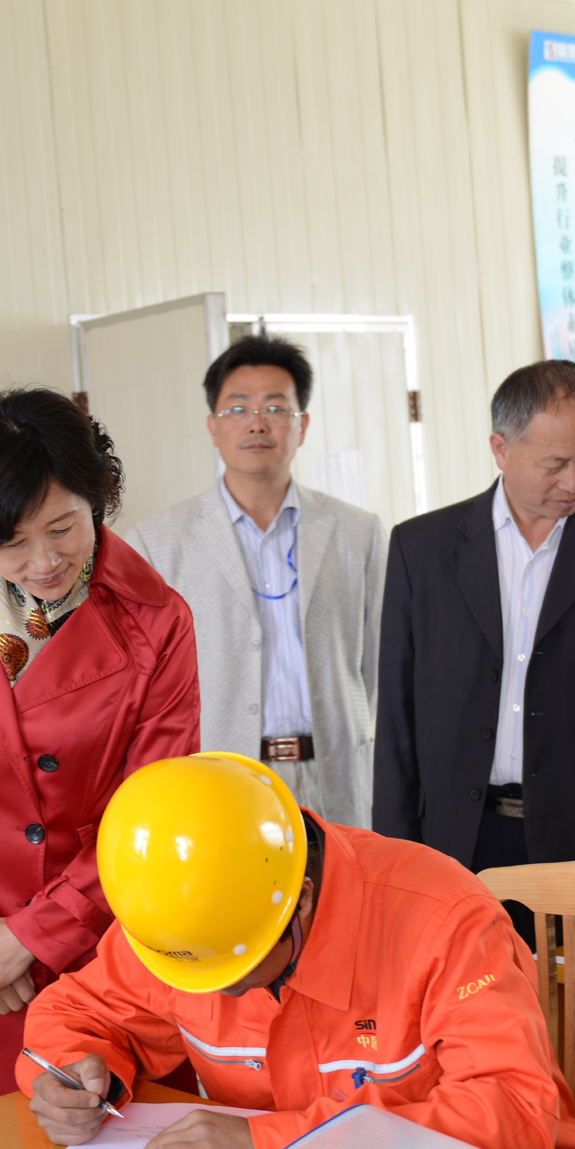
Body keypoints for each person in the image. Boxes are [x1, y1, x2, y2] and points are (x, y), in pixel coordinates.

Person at [20, 752, 575, 1149]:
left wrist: (271, 1147)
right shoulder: (176, 917)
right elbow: (74, 1014)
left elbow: (513, 1112)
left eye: (234, 973)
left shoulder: (445, 919)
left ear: (303, 900)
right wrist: (74, 1076)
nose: (211, 990)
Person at [0, 388, 200, 1120]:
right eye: (13, 542)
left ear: (96, 499)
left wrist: (30, 936)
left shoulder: (157, 621)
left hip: (98, 946)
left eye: (63, 527)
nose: (45, 561)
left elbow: (151, 811)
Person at [373, 360, 575, 900]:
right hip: (455, 840)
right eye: (554, 464)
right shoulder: (420, 549)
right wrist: (393, 859)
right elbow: (396, 725)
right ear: (501, 449)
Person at [128, 332, 387, 825]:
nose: (256, 423)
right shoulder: (156, 543)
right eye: (238, 408)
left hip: (335, 773)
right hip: (218, 778)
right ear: (213, 426)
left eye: (275, 408)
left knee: (343, 877)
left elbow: (379, 665)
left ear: (302, 425)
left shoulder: (360, 532)